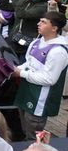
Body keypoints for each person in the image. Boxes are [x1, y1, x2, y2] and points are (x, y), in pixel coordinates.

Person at [11, 11, 66, 139]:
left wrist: (21, 73)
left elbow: (49, 79)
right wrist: (14, 69)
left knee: (33, 139)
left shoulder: (58, 51)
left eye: (43, 22)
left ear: (54, 28)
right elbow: (28, 63)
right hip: (25, 94)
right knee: (24, 134)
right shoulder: (36, 42)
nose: (38, 24)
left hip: (39, 102)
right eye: (40, 20)